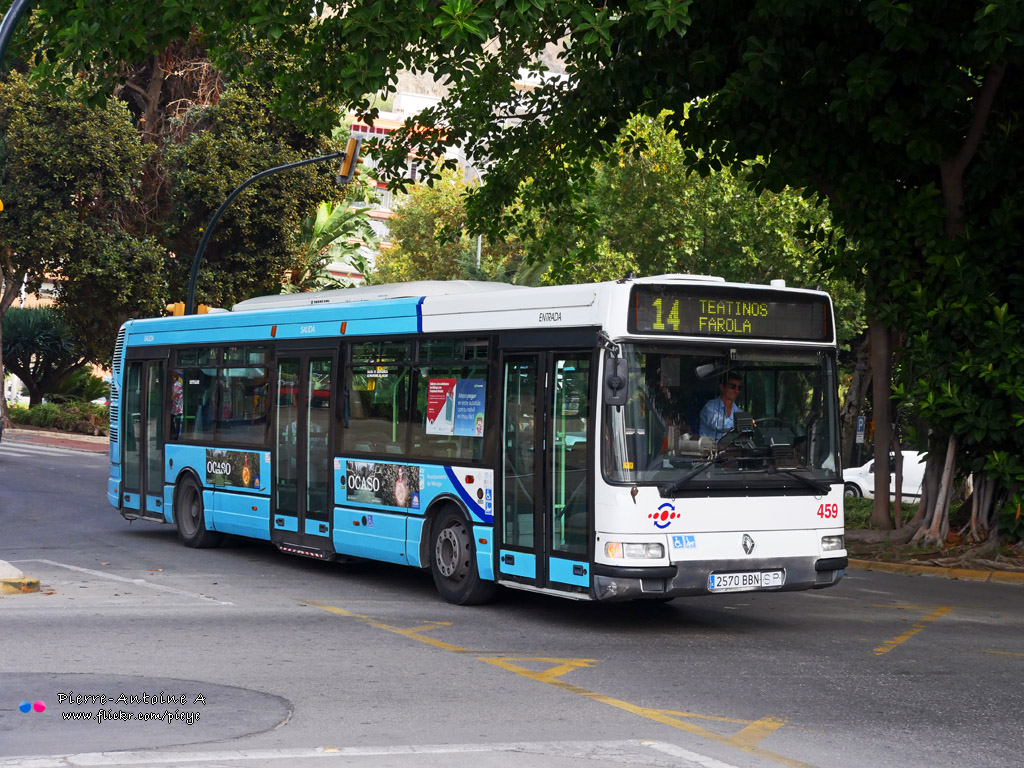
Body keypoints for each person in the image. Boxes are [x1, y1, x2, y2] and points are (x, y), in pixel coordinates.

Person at [699, 373, 746, 441]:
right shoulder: (710, 407)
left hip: (732, 450)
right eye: (733, 387)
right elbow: (719, 425)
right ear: (722, 387)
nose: (736, 391)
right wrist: (742, 423)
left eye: (739, 388)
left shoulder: (739, 412)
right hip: (709, 450)